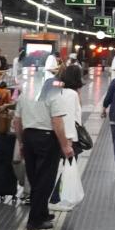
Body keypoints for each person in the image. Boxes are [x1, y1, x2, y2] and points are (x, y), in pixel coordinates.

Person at [14, 69, 74, 230]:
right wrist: (65, 145)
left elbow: (17, 121)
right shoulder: (53, 94)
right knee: (44, 180)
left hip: (29, 137)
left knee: (35, 178)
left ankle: (42, 213)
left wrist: (21, 142)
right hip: (47, 139)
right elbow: (57, 122)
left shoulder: (24, 95)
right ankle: (35, 220)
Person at [49, 64, 84, 211]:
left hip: (54, 134)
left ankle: (51, 197)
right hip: (68, 137)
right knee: (67, 167)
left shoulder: (57, 91)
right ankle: (56, 199)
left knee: (54, 168)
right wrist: (68, 140)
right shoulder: (72, 94)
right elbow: (69, 117)